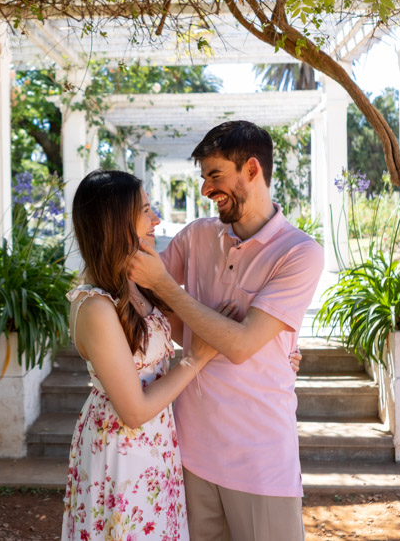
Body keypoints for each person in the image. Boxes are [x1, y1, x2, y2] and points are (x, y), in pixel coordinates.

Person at [130, 120, 324, 541]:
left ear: (252, 170)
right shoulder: (199, 235)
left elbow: (238, 347)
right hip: (189, 450)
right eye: (203, 177)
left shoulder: (299, 253)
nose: (205, 189)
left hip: (260, 459)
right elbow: (137, 279)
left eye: (215, 175)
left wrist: (173, 294)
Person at [61, 169, 218, 540]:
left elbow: (193, 324)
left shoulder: (135, 283)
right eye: (146, 211)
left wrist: (276, 353)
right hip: (122, 452)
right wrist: (195, 360)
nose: (157, 220)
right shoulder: (96, 306)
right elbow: (132, 412)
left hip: (156, 446)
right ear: (116, 222)